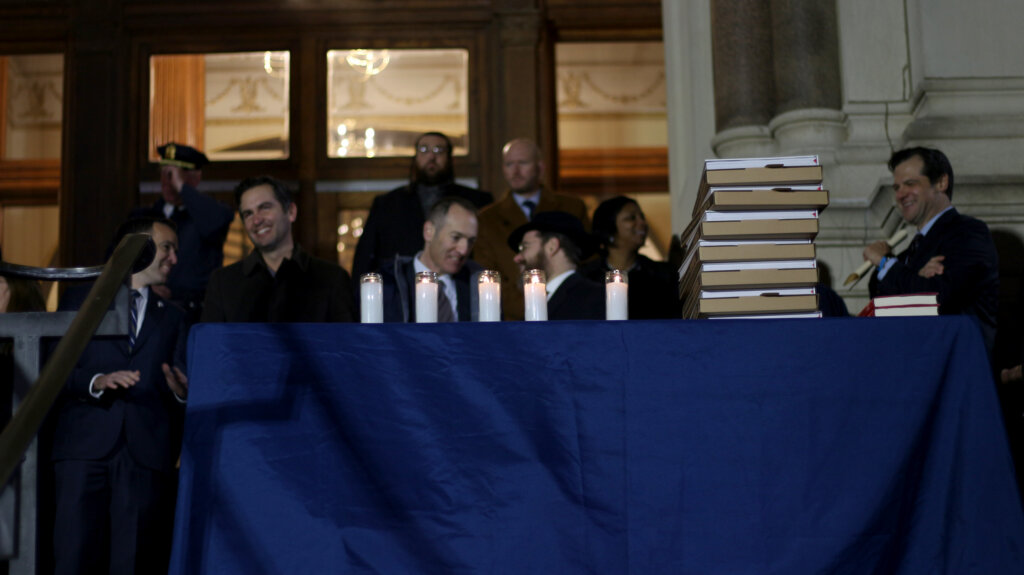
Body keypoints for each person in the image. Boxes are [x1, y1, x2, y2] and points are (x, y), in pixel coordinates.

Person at [52, 217, 189, 575]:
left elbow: (179, 381)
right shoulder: (83, 298)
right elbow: (52, 368)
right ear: (138, 247)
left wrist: (179, 394)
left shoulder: (173, 318)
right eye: (166, 247)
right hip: (84, 450)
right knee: (73, 558)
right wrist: (97, 381)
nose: (174, 258)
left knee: (133, 563)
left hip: (144, 456)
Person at [863, 147, 999, 350]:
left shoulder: (968, 233)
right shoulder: (907, 254)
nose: (900, 195)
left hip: (958, 365)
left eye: (910, 184)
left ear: (941, 183)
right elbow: (881, 303)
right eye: (896, 187)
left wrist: (885, 262)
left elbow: (936, 299)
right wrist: (914, 276)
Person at [202, 176, 355, 323]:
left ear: (291, 212)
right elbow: (212, 346)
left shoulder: (332, 279)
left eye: (265, 208)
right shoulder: (222, 283)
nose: (257, 220)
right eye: (248, 214)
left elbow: (346, 345)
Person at [475, 138, 590, 320]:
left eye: (523, 163)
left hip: (572, 313)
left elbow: (586, 260)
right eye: (509, 164)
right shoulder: (486, 219)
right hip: (515, 319)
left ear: (540, 167)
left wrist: (564, 302)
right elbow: (488, 275)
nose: (515, 171)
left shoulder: (572, 207)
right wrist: (535, 308)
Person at [352, 132, 492, 281]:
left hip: (461, 285)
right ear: (415, 157)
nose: (431, 156)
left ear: (450, 159)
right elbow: (365, 257)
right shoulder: (387, 204)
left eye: (438, 150)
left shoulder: (477, 201)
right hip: (400, 289)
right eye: (424, 150)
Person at [133, 142, 234, 322]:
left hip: (194, 315)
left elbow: (215, 222)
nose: (167, 180)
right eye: (164, 173)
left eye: (175, 174)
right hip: (149, 316)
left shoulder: (210, 214)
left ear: (196, 178)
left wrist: (182, 187)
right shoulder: (144, 216)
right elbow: (118, 262)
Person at [379, 197, 483, 322]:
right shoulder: (386, 284)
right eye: (456, 237)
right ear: (429, 231)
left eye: (471, 241)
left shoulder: (480, 284)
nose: (464, 250)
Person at [580, 196, 681, 319]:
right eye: (631, 218)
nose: (642, 223)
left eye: (642, 217)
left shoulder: (663, 274)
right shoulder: (585, 277)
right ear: (609, 228)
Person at [508, 211, 603, 320]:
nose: (516, 258)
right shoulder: (536, 299)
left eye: (524, 247)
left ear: (552, 247)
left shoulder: (594, 298)